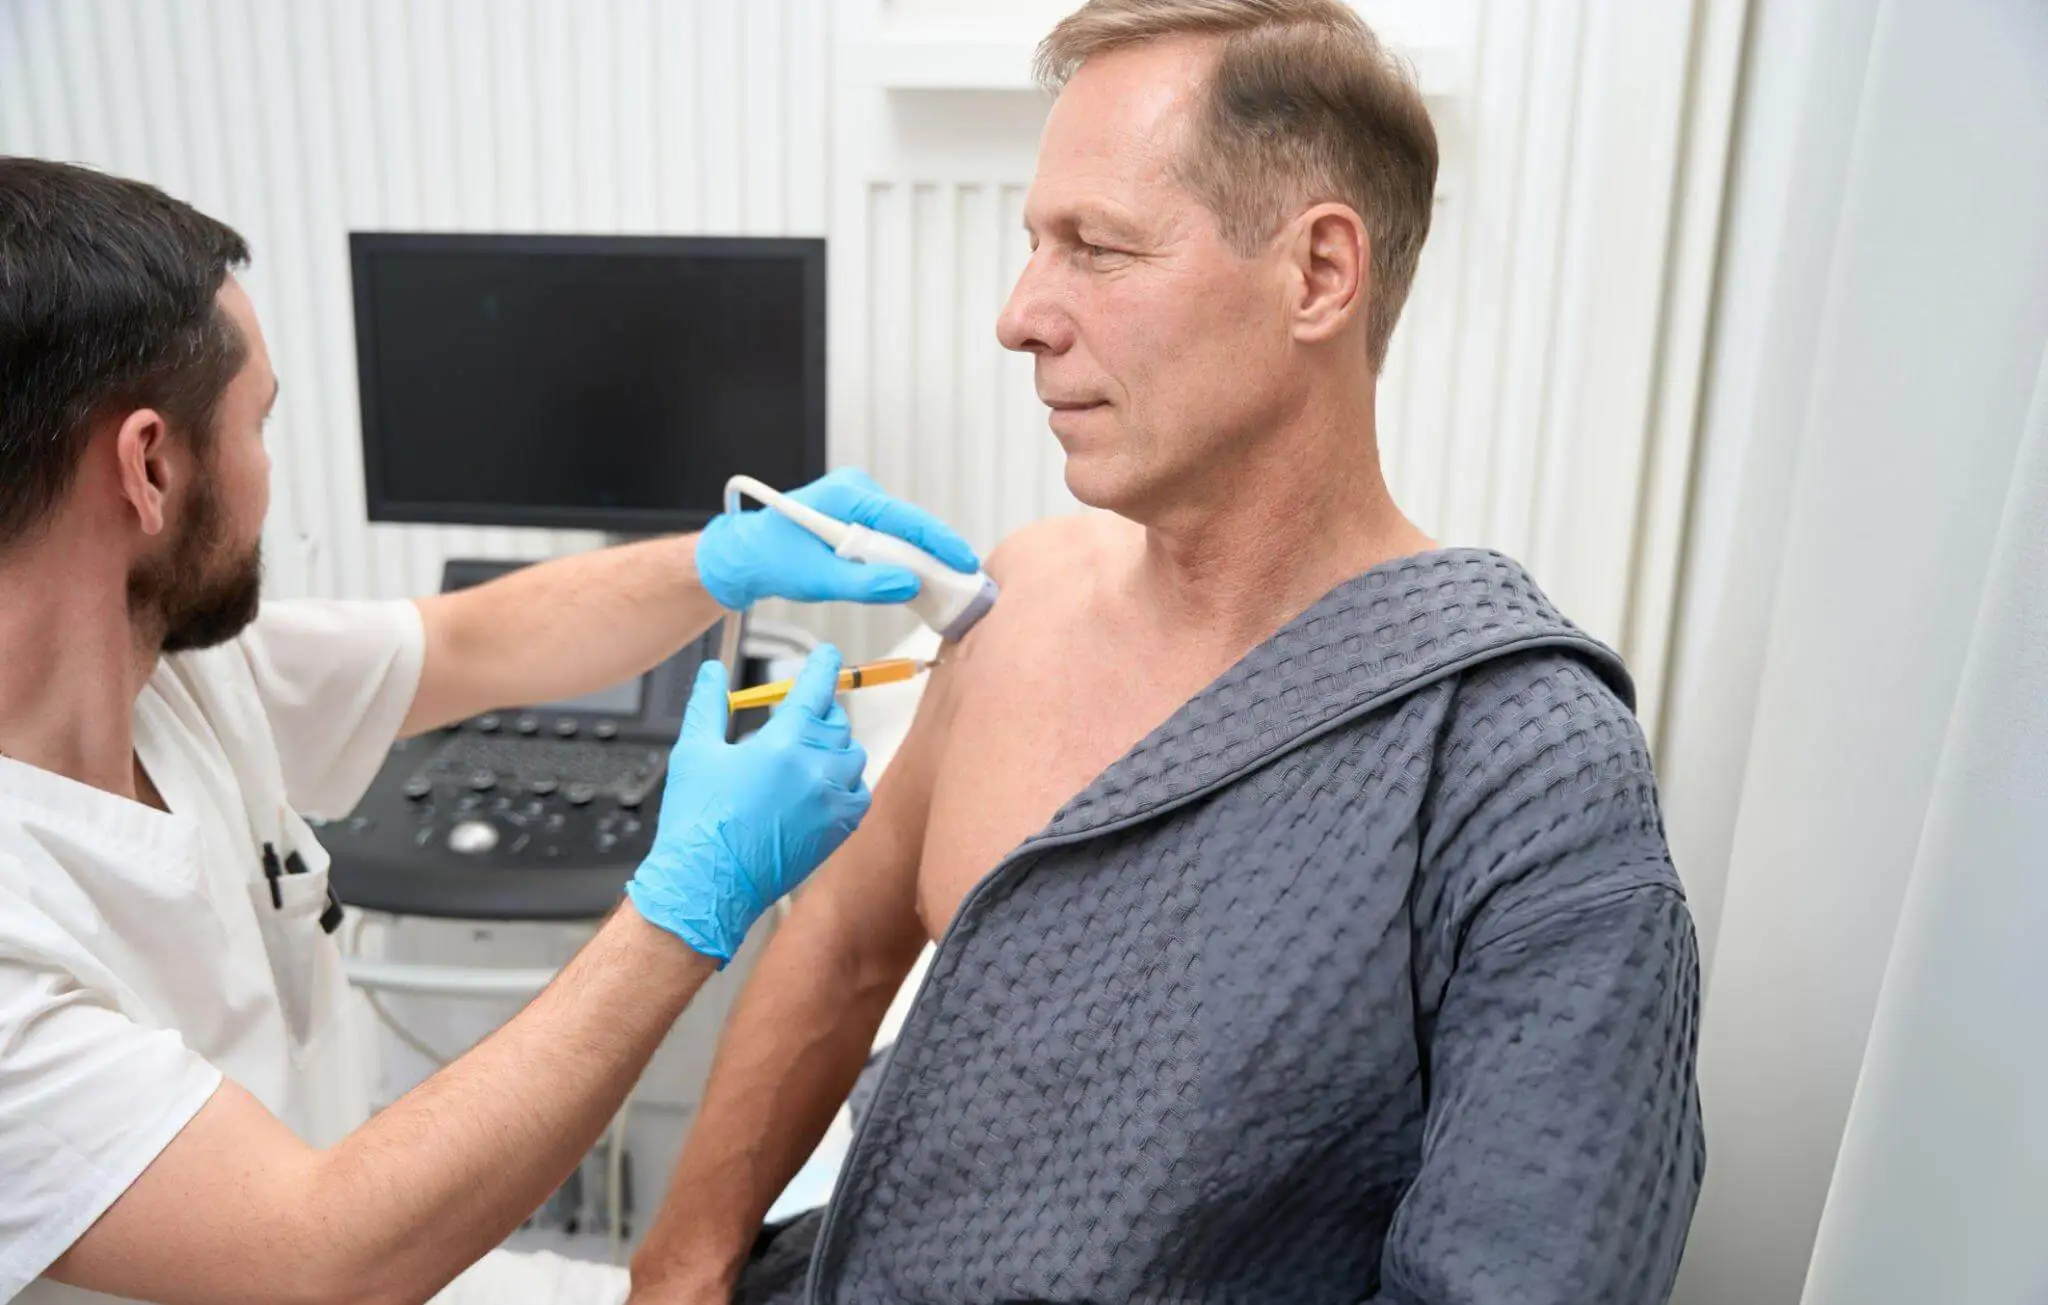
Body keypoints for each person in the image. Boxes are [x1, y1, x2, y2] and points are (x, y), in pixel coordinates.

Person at [629, 3, 1706, 1302]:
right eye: (1036, 244)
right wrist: (680, 1262)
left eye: (1097, 248)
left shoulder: (1522, 768)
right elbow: (842, 945)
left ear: (1317, 274)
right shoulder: (1014, 599)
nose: (1020, 316)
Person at [0, 157, 985, 1304]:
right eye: (258, 426)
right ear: (150, 465)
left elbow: (471, 645)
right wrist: (687, 902)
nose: (270, 472)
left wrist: (722, 561)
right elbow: (319, 1256)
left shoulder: (174, 673)